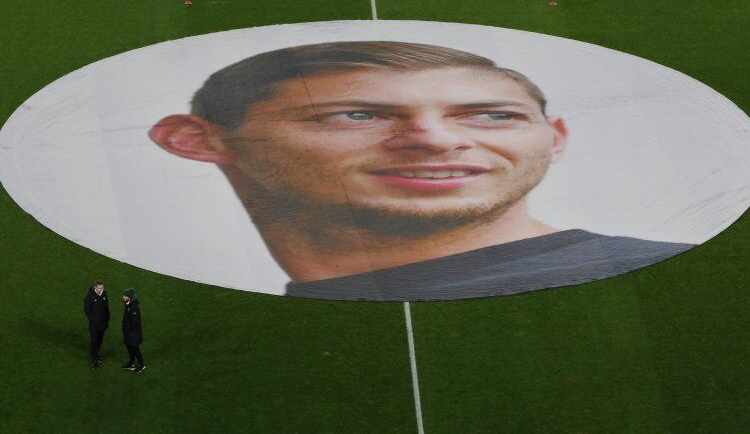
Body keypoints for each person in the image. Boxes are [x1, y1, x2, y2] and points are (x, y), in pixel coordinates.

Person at [149, 41, 694, 300]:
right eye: (355, 114)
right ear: (197, 141)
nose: (437, 140)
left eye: (493, 116)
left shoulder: (662, 285)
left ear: (554, 140)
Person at [83, 279, 110, 368]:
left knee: (99, 341)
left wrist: (107, 319)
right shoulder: (89, 296)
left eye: (102, 288)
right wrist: (93, 319)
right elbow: (87, 310)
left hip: (102, 324)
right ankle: (94, 360)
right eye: (99, 288)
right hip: (94, 325)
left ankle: (97, 355)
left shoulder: (104, 294)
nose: (100, 290)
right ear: (95, 287)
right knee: (94, 342)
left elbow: (106, 307)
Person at [121, 288, 145, 373]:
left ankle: (142, 365)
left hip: (133, 334)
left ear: (129, 297)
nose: (123, 297)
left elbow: (136, 322)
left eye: (125, 296)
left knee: (135, 349)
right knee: (129, 348)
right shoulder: (127, 303)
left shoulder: (134, 308)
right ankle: (131, 363)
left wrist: (127, 329)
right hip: (128, 333)